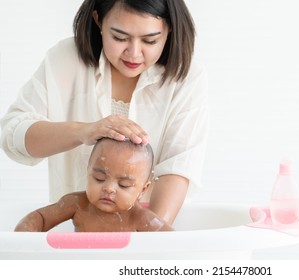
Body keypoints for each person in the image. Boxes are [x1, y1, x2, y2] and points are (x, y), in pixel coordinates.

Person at [0, 0, 209, 226]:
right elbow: (13, 135)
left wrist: (146, 239)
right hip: (73, 239)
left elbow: (178, 166)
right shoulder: (65, 59)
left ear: (169, 29)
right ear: (99, 20)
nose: (134, 53)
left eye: (150, 40)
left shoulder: (185, 76)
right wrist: (83, 131)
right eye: (119, 38)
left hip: (151, 240)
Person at [15, 138, 173, 232]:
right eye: (99, 178)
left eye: (124, 185)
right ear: (87, 173)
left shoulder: (140, 217)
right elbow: (41, 218)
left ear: (142, 190)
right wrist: (25, 235)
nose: (109, 188)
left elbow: (176, 243)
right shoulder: (76, 204)